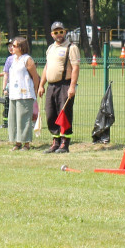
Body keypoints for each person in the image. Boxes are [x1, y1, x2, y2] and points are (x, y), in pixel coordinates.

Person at [38, 21, 81, 154]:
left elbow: (75, 68)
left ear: (65, 32)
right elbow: (46, 67)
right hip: (51, 86)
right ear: (52, 34)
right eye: (56, 32)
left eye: (61, 31)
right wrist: (41, 85)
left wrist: (72, 87)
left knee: (64, 114)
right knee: (51, 114)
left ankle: (65, 143)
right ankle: (55, 142)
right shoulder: (50, 48)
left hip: (64, 85)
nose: (59, 34)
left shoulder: (71, 47)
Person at [6, 37, 39, 151]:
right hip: (14, 94)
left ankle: (26, 144)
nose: (12, 48)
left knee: (24, 119)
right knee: (14, 119)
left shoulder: (27, 59)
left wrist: (35, 90)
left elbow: (35, 76)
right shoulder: (13, 59)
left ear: (21, 47)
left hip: (25, 93)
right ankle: (17, 142)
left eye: (14, 46)